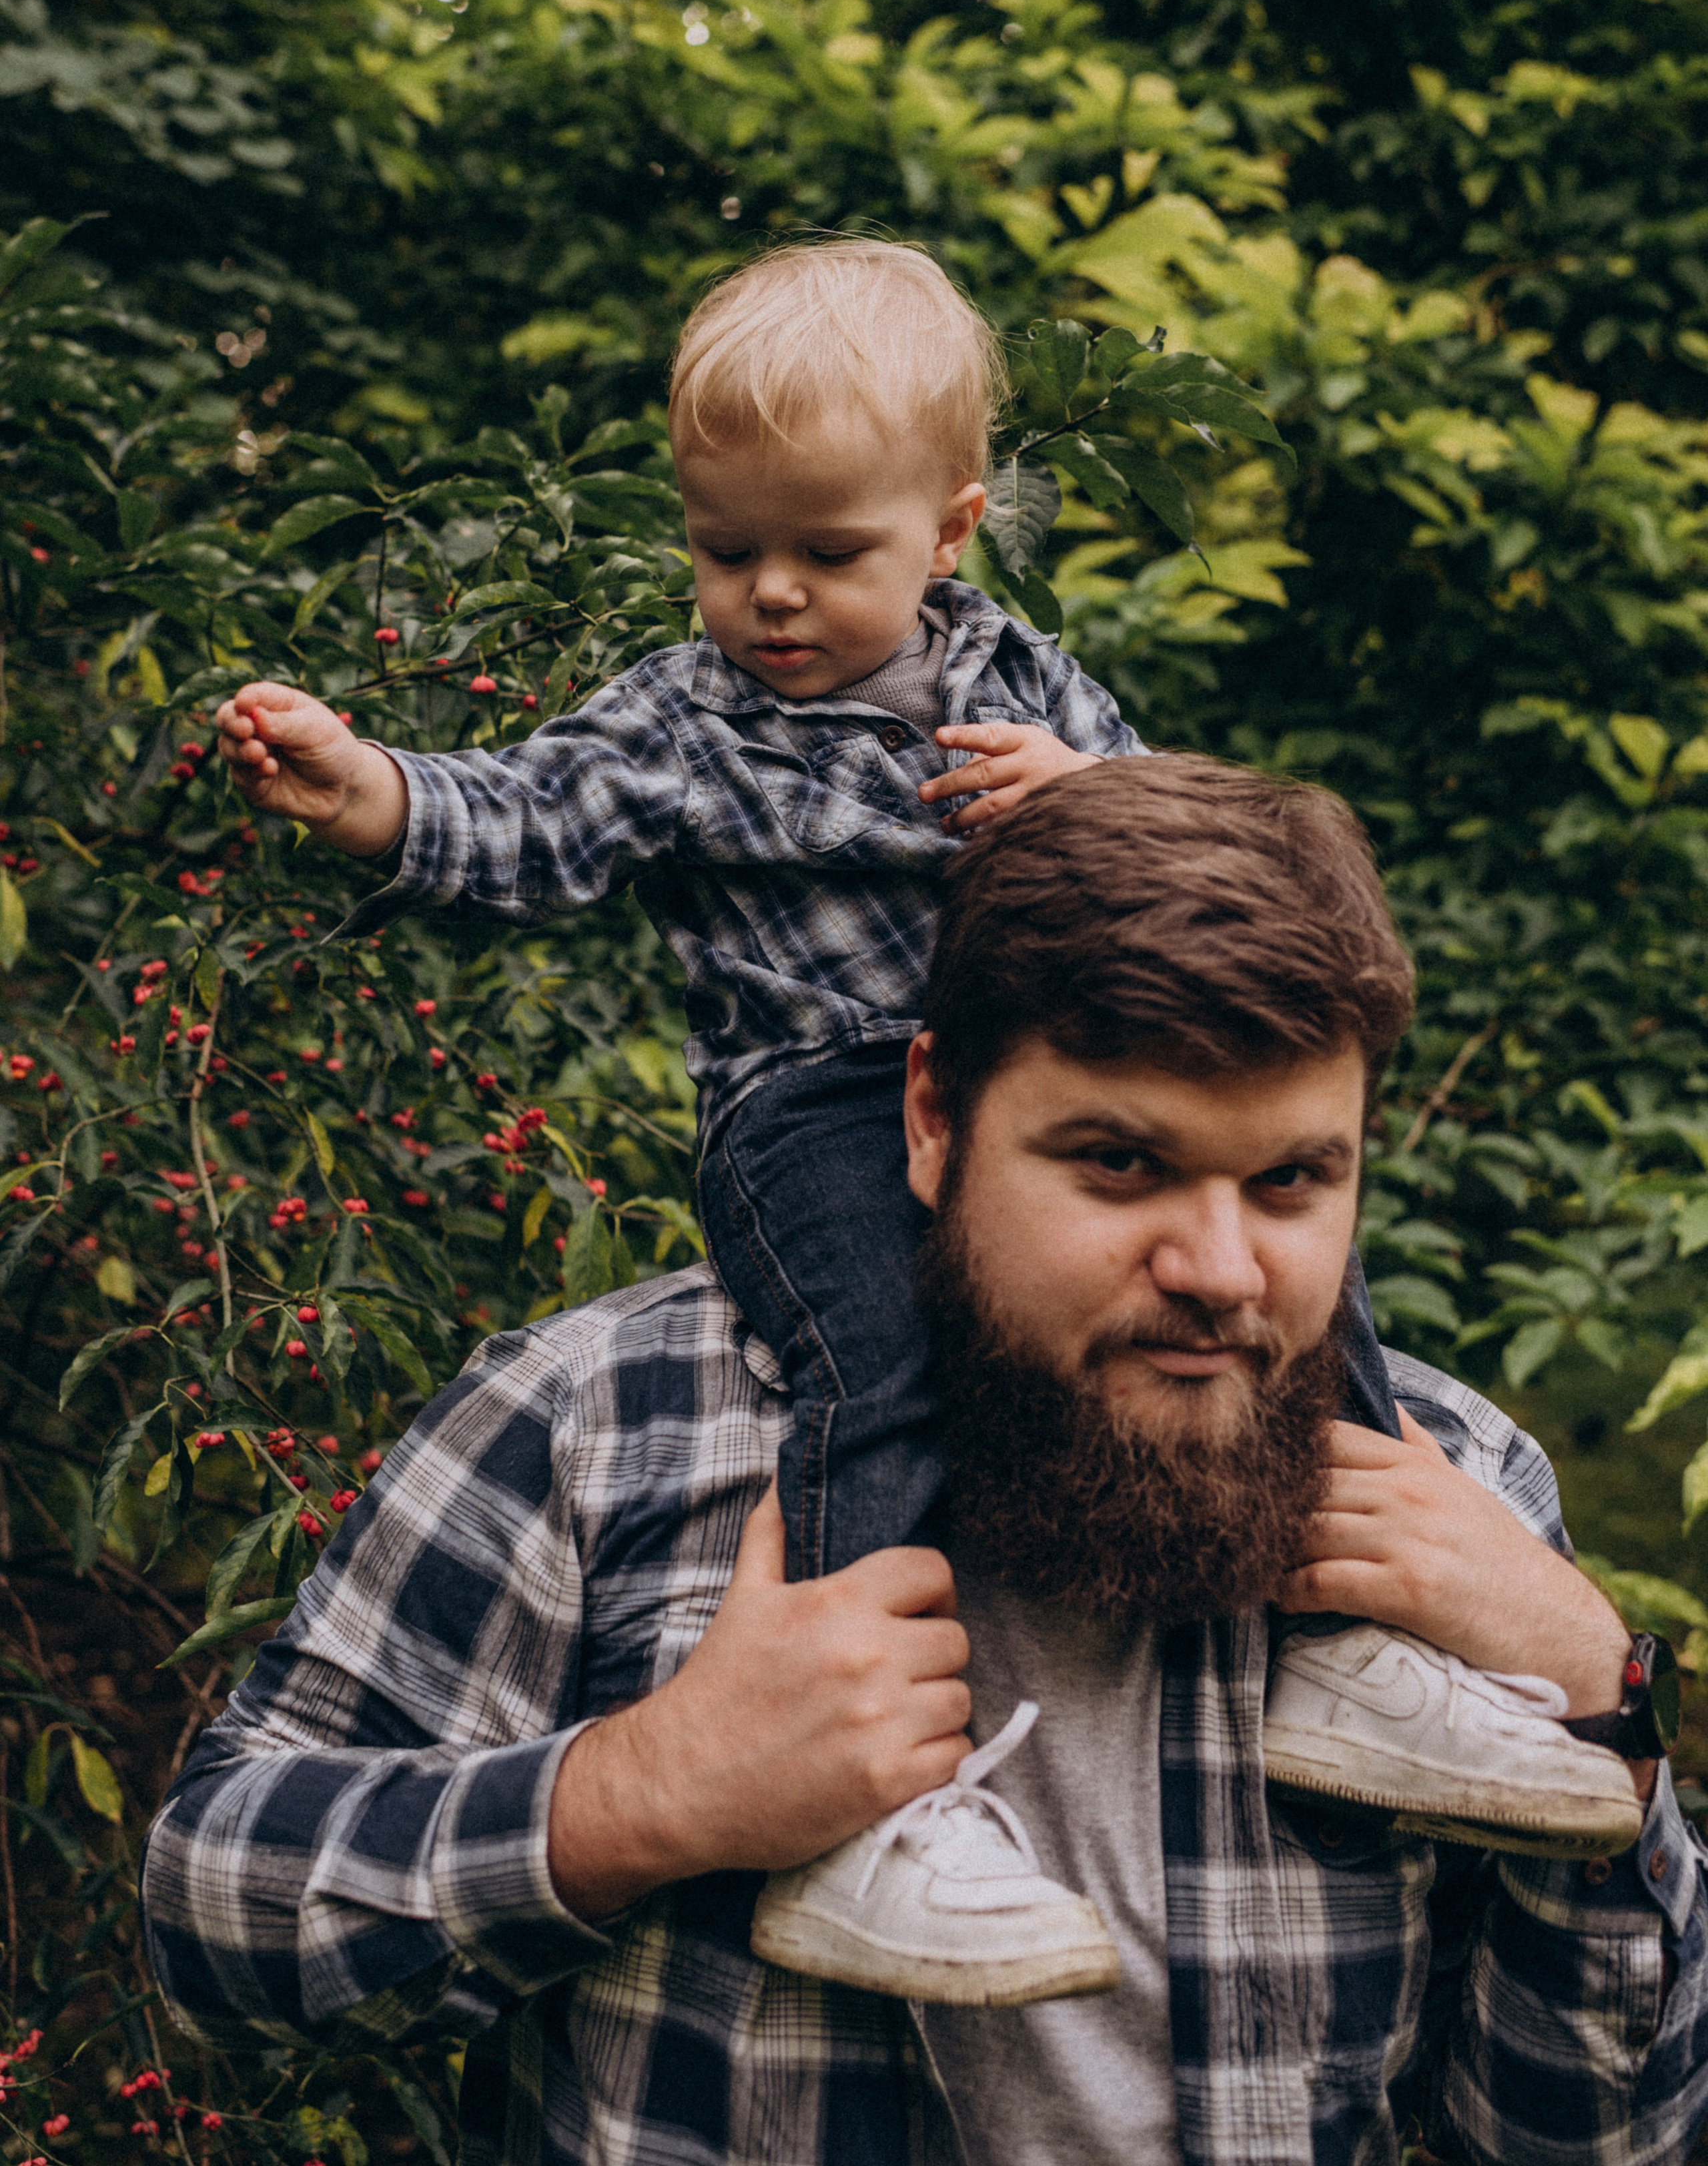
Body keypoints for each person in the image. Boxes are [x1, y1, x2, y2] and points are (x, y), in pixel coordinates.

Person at [211, 244, 1631, 1995]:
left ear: (951, 532)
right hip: (804, 1105)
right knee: (876, 1361)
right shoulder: (686, 719)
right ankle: (861, 1797)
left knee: (1318, 1317)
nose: (774, 599)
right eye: (728, 553)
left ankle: (1341, 1644)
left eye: (830, 553)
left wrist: (1092, 793)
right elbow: (533, 816)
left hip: (1028, 1040)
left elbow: (1187, 865)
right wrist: (377, 796)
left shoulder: (1018, 684)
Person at [142, 757, 1703, 2166]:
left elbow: (1590, 2139)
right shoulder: (603, 1426)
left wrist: (1599, 1702)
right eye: (1118, 1161)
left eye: (1293, 1180)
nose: (1223, 1267)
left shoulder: (1456, 1491)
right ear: (930, 1117)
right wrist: (641, 1797)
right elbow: (211, 1920)